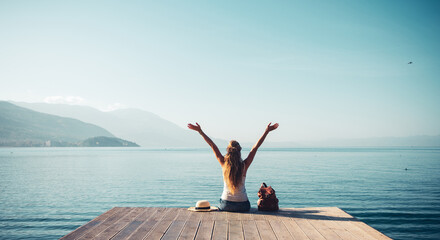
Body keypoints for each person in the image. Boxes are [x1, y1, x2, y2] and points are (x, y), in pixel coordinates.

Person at [187, 122, 279, 212]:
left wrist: (200, 131)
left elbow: (212, 145)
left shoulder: (223, 163)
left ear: (228, 151)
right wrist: (267, 131)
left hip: (226, 204)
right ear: (239, 151)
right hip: (243, 205)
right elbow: (255, 147)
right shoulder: (244, 165)